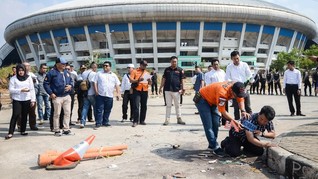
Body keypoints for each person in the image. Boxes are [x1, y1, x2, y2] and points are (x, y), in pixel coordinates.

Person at [194, 81, 249, 157]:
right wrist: (233, 121)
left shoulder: (238, 87)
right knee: (209, 125)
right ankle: (215, 147)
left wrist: (243, 110)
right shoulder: (222, 93)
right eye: (236, 95)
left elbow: (241, 99)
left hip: (213, 100)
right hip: (202, 100)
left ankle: (211, 145)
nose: (238, 97)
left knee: (216, 123)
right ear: (232, 92)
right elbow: (223, 111)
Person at [44, 57, 74, 136]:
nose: (64, 65)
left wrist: (70, 86)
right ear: (57, 64)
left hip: (66, 96)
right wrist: (50, 93)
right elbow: (46, 84)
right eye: (62, 63)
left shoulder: (66, 72)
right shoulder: (51, 73)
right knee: (57, 114)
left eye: (65, 64)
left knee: (67, 113)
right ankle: (56, 129)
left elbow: (71, 81)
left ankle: (66, 129)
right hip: (57, 97)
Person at [5, 64, 36, 139]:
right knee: (15, 115)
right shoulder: (13, 78)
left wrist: (33, 100)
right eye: (19, 70)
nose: (21, 72)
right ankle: (10, 132)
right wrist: (20, 90)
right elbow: (11, 90)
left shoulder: (29, 78)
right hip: (17, 99)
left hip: (26, 99)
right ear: (17, 71)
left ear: (24, 70)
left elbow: (32, 89)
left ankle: (23, 130)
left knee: (24, 115)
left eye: (22, 70)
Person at [225, 50, 253, 120]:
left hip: (244, 88)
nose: (236, 60)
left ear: (239, 57)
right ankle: (237, 123)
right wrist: (232, 84)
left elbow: (249, 75)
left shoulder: (244, 65)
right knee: (236, 108)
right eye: (234, 59)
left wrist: (250, 81)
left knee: (247, 106)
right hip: (235, 89)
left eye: (237, 58)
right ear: (231, 59)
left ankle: (250, 121)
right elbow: (227, 78)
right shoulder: (229, 67)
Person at [92, 61, 121, 129]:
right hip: (100, 95)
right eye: (104, 65)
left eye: (107, 66)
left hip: (109, 95)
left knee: (108, 109)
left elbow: (117, 84)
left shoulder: (113, 75)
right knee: (99, 109)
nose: (105, 67)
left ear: (110, 67)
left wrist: (118, 94)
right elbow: (95, 82)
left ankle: (105, 122)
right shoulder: (99, 74)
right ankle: (98, 122)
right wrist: (96, 91)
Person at [159, 56, 186, 125]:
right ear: (170, 62)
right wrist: (160, 87)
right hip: (167, 90)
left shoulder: (180, 70)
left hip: (177, 90)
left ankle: (179, 119)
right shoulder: (167, 70)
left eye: (175, 61)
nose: (174, 63)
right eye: (173, 61)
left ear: (177, 62)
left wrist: (183, 88)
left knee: (177, 105)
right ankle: (167, 120)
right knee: (168, 105)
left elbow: (182, 80)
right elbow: (164, 79)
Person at [130, 60, 152, 127]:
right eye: (144, 65)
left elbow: (150, 84)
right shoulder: (134, 71)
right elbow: (131, 80)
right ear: (140, 65)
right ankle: (135, 121)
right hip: (137, 90)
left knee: (144, 106)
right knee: (136, 106)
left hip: (145, 90)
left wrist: (150, 81)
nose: (145, 66)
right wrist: (138, 80)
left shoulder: (147, 73)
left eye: (146, 65)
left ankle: (142, 120)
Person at [17, 62, 38, 131]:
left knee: (32, 112)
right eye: (26, 66)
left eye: (28, 66)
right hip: (20, 98)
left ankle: (33, 125)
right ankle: (20, 126)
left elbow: (35, 86)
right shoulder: (17, 75)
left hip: (30, 96)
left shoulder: (31, 75)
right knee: (20, 113)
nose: (27, 67)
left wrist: (33, 99)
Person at [80, 62, 98, 128]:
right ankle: (97, 121)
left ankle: (82, 122)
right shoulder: (94, 74)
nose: (96, 69)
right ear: (93, 67)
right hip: (92, 93)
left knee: (85, 108)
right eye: (95, 67)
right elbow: (95, 83)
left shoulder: (84, 73)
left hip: (85, 92)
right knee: (95, 107)